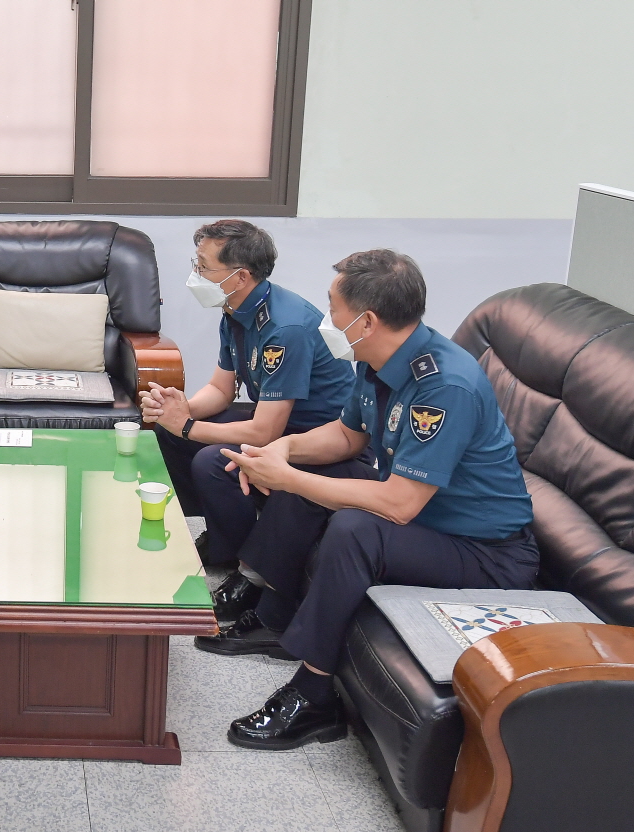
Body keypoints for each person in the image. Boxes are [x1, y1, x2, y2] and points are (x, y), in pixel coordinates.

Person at [195, 249, 538, 751]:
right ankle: (271, 617)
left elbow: (399, 505)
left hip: (487, 554)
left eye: (333, 308)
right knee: (310, 475)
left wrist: (288, 477)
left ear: (367, 321)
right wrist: (282, 450)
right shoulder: (376, 361)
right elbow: (346, 436)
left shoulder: (443, 386)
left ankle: (314, 697)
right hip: (431, 525)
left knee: (356, 529)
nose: (326, 319)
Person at [142, 220, 353, 620]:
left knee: (213, 459)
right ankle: (223, 540)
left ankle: (247, 566)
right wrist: (180, 410)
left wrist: (188, 426)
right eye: (196, 263)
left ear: (240, 276)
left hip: (317, 433)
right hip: (277, 418)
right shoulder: (236, 308)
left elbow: (265, 431)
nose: (196, 274)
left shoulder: (285, 328)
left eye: (204, 266)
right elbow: (221, 389)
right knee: (170, 435)